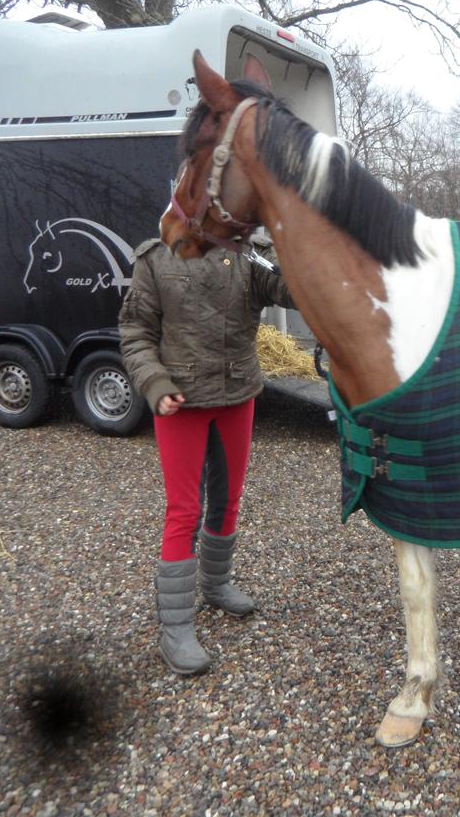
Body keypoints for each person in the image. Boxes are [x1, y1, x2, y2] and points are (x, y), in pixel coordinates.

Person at [120, 230, 295, 675]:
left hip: (238, 395)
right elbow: (136, 332)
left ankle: (216, 586)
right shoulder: (156, 258)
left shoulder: (251, 254)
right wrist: (155, 383)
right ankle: (176, 628)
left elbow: (294, 292)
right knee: (184, 511)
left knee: (228, 499)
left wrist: (302, 244)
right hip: (180, 402)